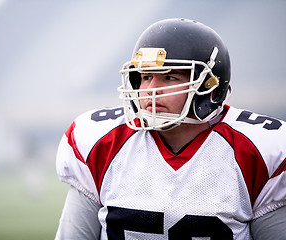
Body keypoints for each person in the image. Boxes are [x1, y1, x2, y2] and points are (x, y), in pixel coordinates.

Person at [55, 18, 286, 239]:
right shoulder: (103, 141)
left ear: (210, 88)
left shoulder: (256, 151)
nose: (150, 90)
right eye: (145, 76)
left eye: (169, 77)